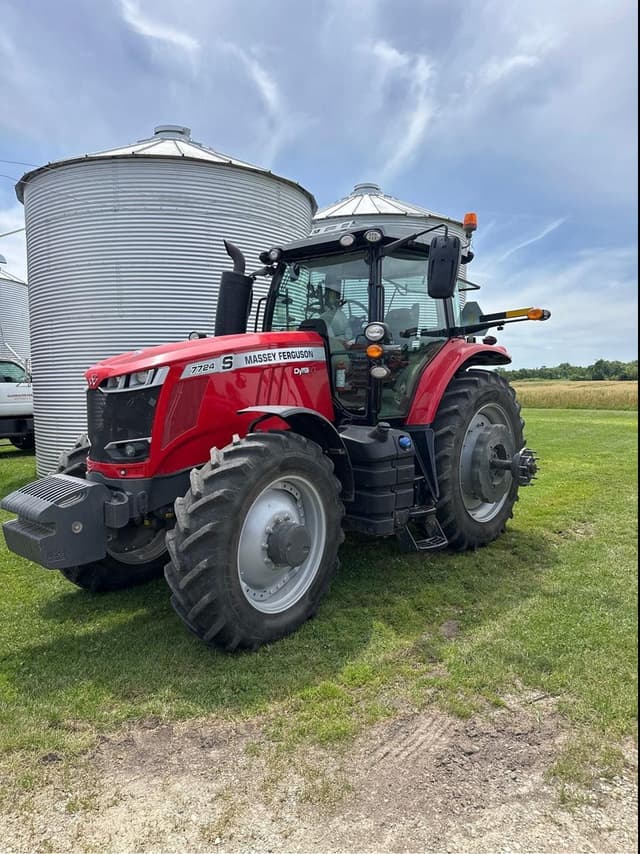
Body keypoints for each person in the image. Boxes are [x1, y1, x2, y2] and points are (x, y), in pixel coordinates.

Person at [319, 274, 350, 343]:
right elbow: (332, 341)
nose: (336, 297)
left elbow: (348, 334)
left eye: (336, 294)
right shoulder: (325, 317)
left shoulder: (340, 314)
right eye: (331, 294)